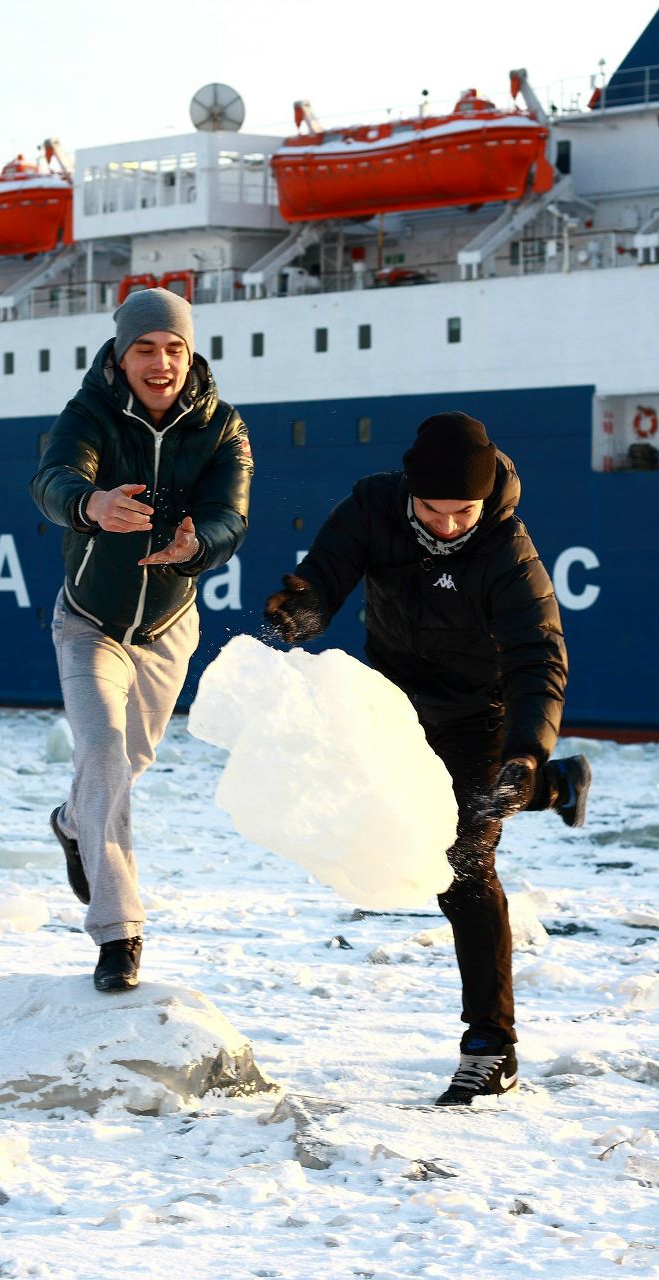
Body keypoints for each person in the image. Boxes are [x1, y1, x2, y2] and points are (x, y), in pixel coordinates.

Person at [264, 411, 591, 1106]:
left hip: (482, 718)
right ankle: (556, 788)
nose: (448, 526)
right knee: (391, 823)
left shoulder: (508, 552)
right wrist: (305, 608)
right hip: (396, 707)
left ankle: (490, 1048)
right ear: (409, 491)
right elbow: (328, 572)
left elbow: (539, 660)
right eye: (434, 512)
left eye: (462, 513)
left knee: (463, 866)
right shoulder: (373, 507)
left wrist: (528, 750)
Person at [31, 288, 253, 993]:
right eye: (145, 349)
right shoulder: (89, 413)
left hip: (165, 630)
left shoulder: (223, 430)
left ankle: (72, 823)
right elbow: (54, 477)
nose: (161, 363)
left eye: (174, 348)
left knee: (124, 766)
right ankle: (118, 932)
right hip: (89, 623)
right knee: (100, 753)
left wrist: (196, 548)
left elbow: (230, 517)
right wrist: (90, 504)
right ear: (121, 355)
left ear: (190, 353)